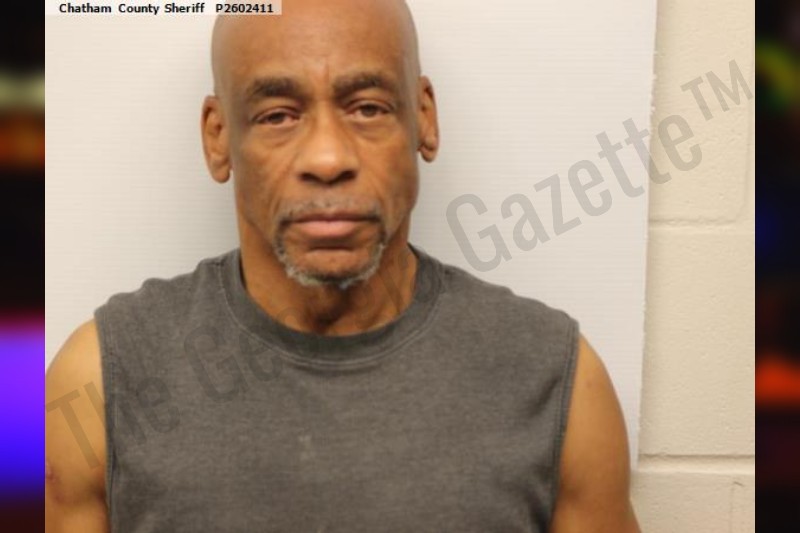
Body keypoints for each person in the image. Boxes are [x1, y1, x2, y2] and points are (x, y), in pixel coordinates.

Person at [45, 2, 641, 531]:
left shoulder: (557, 379)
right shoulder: (97, 385)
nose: (328, 158)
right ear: (218, 137)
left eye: (367, 108)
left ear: (424, 118)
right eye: (278, 115)